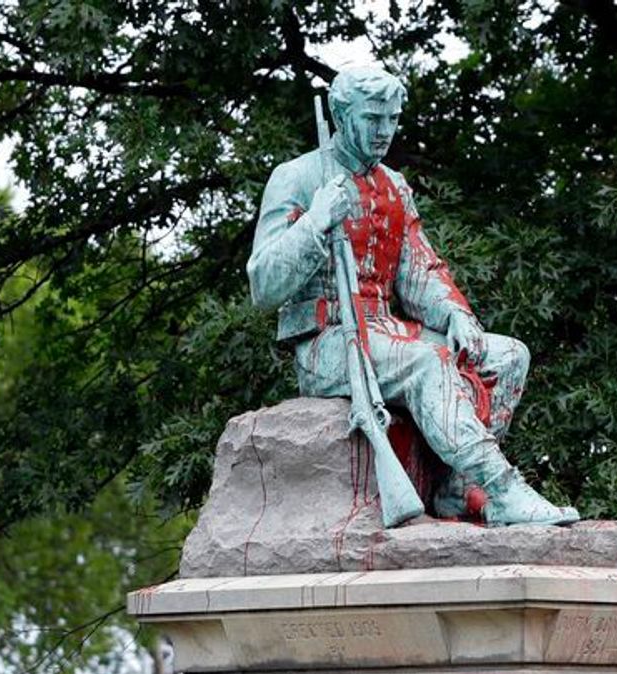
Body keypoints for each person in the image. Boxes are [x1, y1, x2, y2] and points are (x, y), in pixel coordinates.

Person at [247, 64, 577, 527]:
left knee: (506, 356)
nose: (384, 131)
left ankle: (459, 491)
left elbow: (421, 269)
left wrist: (457, 316)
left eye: (392, 119)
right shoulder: (298, 178)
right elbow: (263, 284)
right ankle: (503, 490)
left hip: (385, 330)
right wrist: (315, 221)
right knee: (427, 360)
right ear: (341, 116)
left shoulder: (394, 186)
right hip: (328, 343)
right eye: (372, 118)